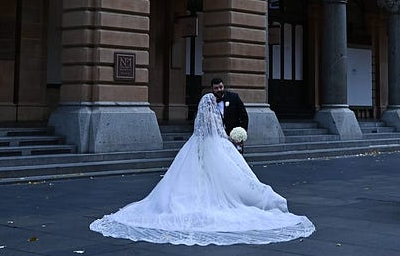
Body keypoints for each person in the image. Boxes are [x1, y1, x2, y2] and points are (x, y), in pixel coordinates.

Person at [89, 92, 315, 245]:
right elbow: (217, 131)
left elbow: (204, 130)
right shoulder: (215, 119)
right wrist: (232, 138)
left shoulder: (200, 125)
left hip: (197, 145)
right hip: (217, 144)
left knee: (187, 178)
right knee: (232, 175)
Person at [211, 77, 249, 154]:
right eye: (216, 88)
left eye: (221, 87)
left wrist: (241, 133)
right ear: (212, 89)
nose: (219, 90)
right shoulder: (210, 101)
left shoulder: (234, 97)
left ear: (223, 86)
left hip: (234, 137)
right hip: (217, 138)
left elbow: (244, 116)